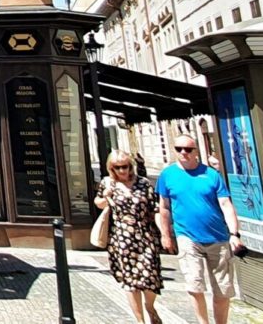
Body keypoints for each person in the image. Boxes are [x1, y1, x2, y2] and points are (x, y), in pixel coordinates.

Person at [156, 136, 244, 324]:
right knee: (194, 285)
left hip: (218, 237)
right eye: (179, 149)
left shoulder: (211, 175)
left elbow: (225, 204)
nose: (183, 153)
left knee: (222, 289)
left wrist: (234, 234)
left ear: (196, 151)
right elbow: (164, 207)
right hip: (187, 237)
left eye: (188, 149)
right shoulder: (167, 175)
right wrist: (165, 235)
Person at [95, 149, 162, 323]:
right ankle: (140, 320)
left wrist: (164, 233)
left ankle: (150, 306)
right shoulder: (108, 183)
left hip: (145, 235)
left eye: (125, 166)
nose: (122, 171)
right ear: (112, 168)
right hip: (121, 237)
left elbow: (154, 209)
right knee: (130, 281)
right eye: (118, 167)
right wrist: (106, 196)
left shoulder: (143, 183)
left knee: (150, 277)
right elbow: (99, 203)